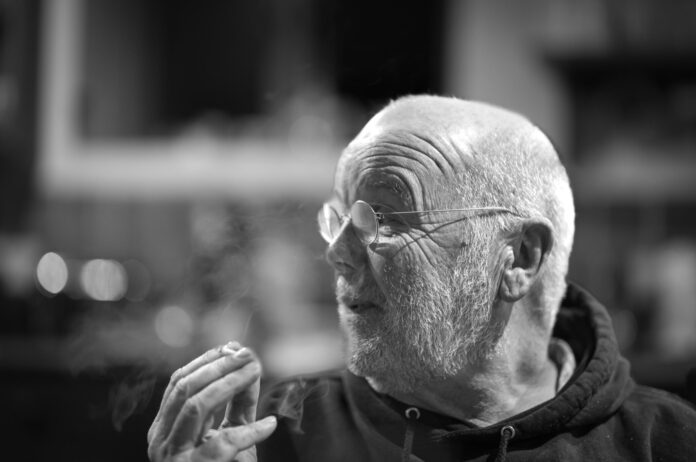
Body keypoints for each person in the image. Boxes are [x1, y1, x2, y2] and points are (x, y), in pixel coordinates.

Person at [147, 95, 696, 462]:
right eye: (339, 219)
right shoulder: (270, 438)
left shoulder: (666, 443)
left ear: (519, 259)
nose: (337, 254)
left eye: (384, 220)